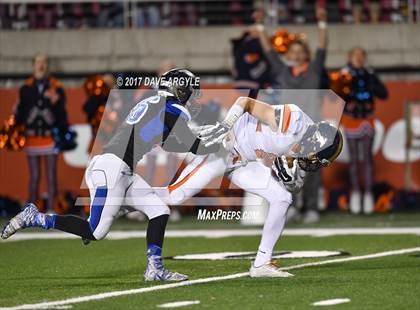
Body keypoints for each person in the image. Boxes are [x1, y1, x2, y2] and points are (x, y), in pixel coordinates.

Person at [1, 68, 219, 282]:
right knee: (94, 231)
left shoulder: (156, 103)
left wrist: (205, 140)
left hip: (120, 169)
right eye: (190, 90)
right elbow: (192, 145)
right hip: (112, 168)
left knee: (159, 210)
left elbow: (173, 143)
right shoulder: (168, 107)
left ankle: (155, 269)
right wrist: (222, 141)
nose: (192, 96)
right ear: (178, 89)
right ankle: (35, 217)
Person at [157, 96, 343, 277]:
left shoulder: (306, 147)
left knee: (282, 198)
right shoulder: (293, 121)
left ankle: (262, 263)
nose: (314, 162)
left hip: (242, 162)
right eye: (315, 157)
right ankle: (129, 195)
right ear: (314, 141)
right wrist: (224, 128)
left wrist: (288, 178)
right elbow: (244, 102)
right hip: (223, 150)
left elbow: (295, 186)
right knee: (174, 196)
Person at [248, 6, 329, 224]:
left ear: (305, 55)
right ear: (288, 55)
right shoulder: (282, 70)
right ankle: (290, 206)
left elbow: (322, 48)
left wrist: (322, 23)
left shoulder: (313, 70)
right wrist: (260, 25)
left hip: (310, 128)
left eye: (300, 52)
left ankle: (311, 208)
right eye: (292, 52)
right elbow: (268, 50)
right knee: (287, 168)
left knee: (312, 170)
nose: (296, 55)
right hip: (286, 129)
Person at [14, 53, 69, 212]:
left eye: (44, 62)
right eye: (38, 62)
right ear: (33, 66)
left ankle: (51, 210)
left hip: (50, 137)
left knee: (51, 175)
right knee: (34, 176)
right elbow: (20, 112)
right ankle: (30, 212)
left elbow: (62, 113)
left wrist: (55, 102)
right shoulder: (26, 88)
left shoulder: (56, 87)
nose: (41, 65)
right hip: (32, 137)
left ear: (47, 66)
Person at [340, 47, 388, 214]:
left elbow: (384, 94)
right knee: (353, 160)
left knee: (367, 158)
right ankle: (355, 193)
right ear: (350, 57)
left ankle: (368, 194)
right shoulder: (344, 74)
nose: (358, 58)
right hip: (351, 119)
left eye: (361, 55)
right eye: (355, 55)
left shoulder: (370, 74)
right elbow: (336, 95)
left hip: (367, 119)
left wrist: (372, 82)